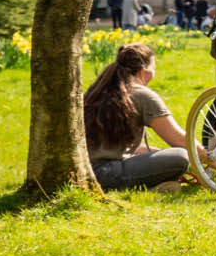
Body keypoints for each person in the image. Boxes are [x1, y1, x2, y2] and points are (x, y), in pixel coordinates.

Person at [82, 43, 205, 191]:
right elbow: (179, 139)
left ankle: (156, 185)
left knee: (158, 154)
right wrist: (212, 160)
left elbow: (113, 147)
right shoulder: (142, 95)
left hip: (86, 170)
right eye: (153, 69)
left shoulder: (99, 90)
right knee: (181, 156)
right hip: (110, 174)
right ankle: (151, 186)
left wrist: (155, 152)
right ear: (144, 71)